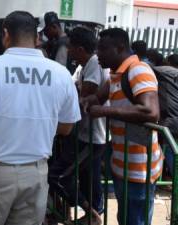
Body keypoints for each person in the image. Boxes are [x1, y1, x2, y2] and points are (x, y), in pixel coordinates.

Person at [0, 11, 81, 225]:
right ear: (37, 37)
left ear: (6, 34)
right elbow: (67, 127)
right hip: (36, 173)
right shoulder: (61, 74)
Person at [82, 28, 163, 225]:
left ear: (120, 48)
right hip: (122, 165)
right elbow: (96, 98)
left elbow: (151, 112)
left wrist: (104, 112)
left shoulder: (138, 70)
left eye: (102, 49)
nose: (97, 54)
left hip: (139, 170)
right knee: (125, 218)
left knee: (134, 220)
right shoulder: (116, 76)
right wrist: (86, 101)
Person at [50, 27, 109, 225]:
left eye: (71, 48)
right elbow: (71, 90)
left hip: (93, 136)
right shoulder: (82, 66)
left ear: (81, 49)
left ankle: (92, 214)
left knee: (59, 175)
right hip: (82, 134)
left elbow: (82, 97)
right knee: (86, 179)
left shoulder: (93, 64)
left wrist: (75, 92)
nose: (68, 51)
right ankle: (86, 214)